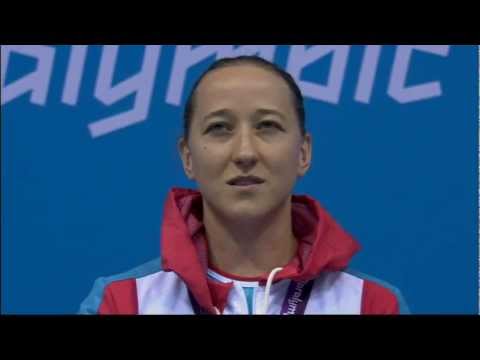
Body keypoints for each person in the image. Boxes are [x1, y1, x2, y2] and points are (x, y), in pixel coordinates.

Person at [79, 56, 409, 315]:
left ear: (303, 153)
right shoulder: (123, 303)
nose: (245, 152)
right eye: (220, 128)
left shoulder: (372, 304)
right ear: (187, 157)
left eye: (267, 126)